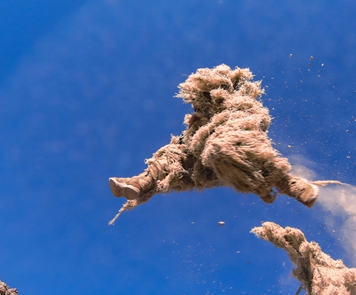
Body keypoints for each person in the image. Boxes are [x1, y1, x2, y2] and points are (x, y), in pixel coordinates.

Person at [108, 65, 339, 223]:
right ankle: (140, 183)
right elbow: (185, 148)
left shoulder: (238, 107)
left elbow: (245, 126)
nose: (198, 106)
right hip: (201, 164)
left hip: (230, 150)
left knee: (223, 147)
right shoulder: (198, 122)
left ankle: (293, 186)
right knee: (169, 155)